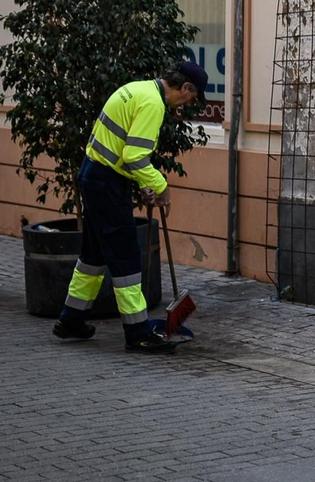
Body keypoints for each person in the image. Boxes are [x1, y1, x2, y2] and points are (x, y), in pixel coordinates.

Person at [52, 61, 208, 352]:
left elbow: (121, 147)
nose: (188, 104)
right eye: (191, 97)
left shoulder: (139, 89)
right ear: (184, 87)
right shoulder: (152, 104)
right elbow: (135, 155)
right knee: (125, 256)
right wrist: (161, 187)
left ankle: (71, 319)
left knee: (93, 255)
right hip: (107, 184)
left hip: (94, 174)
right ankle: (137, 332)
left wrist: (142, 183)